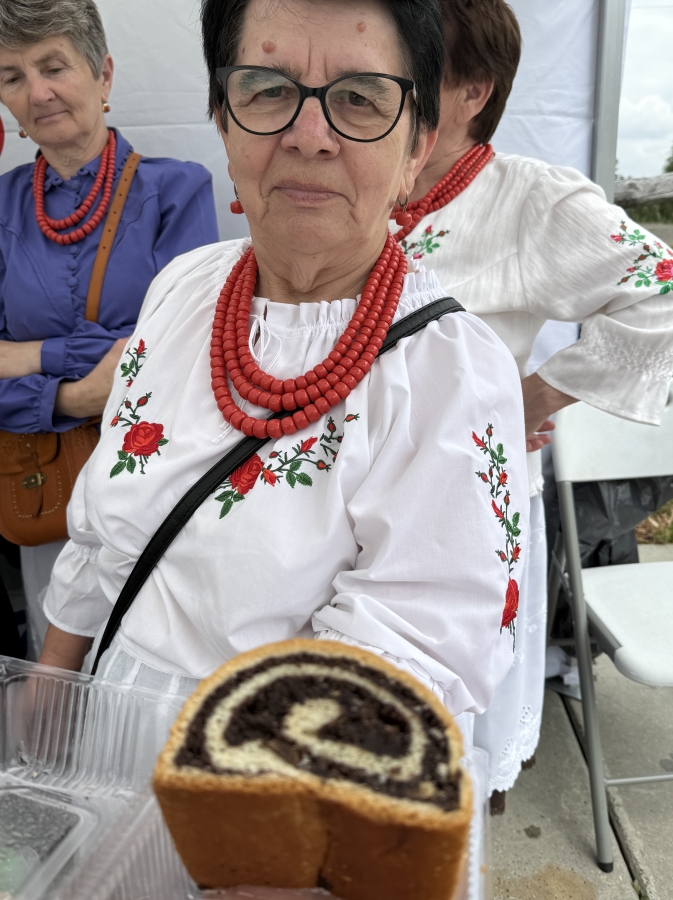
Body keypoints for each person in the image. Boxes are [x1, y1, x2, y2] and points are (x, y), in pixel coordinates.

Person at [392, 0, 673, 801]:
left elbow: (660, 293)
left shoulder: (529, 201)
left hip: (464, 491)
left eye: (416, 63)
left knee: (449, 702)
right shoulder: (368, 175)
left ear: (473, 89)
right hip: (361, 484)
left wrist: (535, 394)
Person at [0, 0, 219, 659]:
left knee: (139, 661)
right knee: (55, 669)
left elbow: (175, 350)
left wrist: (23, 356)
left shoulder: (177, 191)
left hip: (151, 477)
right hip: (43, 485)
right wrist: (74, 394)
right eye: (12, 76)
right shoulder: (1, 204)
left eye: (54, 66)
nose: (37, 92)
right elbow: (127, 350)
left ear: (103, 75)